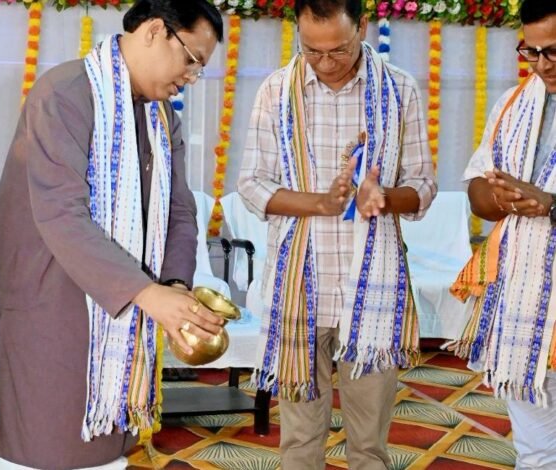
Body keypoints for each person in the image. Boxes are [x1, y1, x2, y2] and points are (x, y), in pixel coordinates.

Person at [0, 1, 225, 468]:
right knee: (39, 456)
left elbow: (179, 211)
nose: (191, 76)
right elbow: (62, 215)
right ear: (154, 31)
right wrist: (147, 293)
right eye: (191, 59)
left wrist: (174, 288)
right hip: (44, 315)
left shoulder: (162, 118)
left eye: (199, 68)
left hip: (118, 319)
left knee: (107, 460)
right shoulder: (65, 93)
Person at [237, 0, 436, 468]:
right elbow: (252, 183)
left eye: (339, 50)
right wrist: (321, 204)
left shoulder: (399, 89)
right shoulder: (276, 90)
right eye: (312, 51)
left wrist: (383, 196)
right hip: (300, 287)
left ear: (362, 26)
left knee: (368, 444)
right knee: (299, 441)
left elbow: (423, 186)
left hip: (373, 290)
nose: (325, 63)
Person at [449, 1, 556, 467]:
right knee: (535, 449)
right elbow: (477, 192)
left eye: (553, 51)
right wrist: (505, 199)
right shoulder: (513, 105)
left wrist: (550, 204)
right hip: (524, 301)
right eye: (531, 51)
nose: (542, 64)